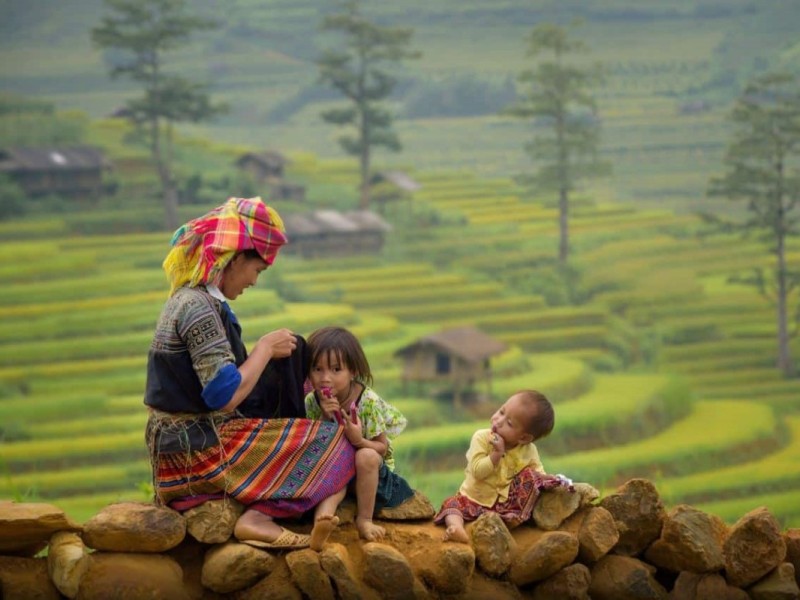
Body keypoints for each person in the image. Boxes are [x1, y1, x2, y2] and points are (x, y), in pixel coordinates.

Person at [144, 196, 355, 552]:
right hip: (196, 451)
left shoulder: (194, 299)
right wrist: (263, 350)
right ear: (236, 258)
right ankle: (261, 517)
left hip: (189, 442)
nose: (254, 281)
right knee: (339, 445)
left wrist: (277, 354)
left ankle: (275, 482)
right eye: (256, 270)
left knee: (294, 351)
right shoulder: (198, 308)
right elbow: (223, 395)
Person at [303, 326, 415, 542]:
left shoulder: (367, 402)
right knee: (333, 468)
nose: (325, 378)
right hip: (338, 470)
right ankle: (321, 522)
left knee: (365, 455)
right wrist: (327, 419)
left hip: (371, 473)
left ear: (353, 371)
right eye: (317, 369)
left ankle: (365, 519)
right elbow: (317, 445)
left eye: (336, 370)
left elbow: (381, 449)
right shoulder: (312, 401)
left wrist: (358, 440)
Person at [434, 390, 570, 543]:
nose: (498, 421)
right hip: (472, 500)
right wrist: (496, 454)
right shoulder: (482, 438)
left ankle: (510, 520)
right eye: (501, 411)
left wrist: (549, 480)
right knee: (451, 505)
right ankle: (456, 528)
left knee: (531, 476)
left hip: (504, 506)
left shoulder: (529, 450)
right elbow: (477, 471)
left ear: (524, 438)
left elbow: (538, 472)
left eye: (509, 423)